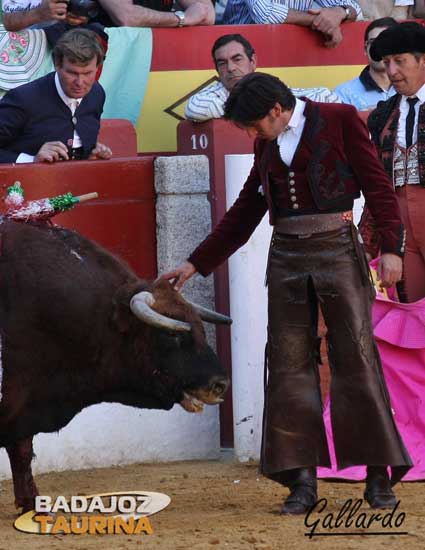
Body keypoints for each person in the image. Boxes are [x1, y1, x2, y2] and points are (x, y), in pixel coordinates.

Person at [163, 72, 412, 515]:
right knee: (289, 363)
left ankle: (378, 476)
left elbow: (377, 186)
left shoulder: (338, 119)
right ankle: (302, 480)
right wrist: (196, 262)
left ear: (277, 110)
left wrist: (392, 248)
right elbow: (246, 209)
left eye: (254, 126)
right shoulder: (267, 141)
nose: (251, 135)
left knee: (356, 357)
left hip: (338, 250)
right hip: (286, 259)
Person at [359, 22, 425, 303]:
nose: (392, 71)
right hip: (401, 227)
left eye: (400, 61)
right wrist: (368, 240)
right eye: (387, 63)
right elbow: (378, 185)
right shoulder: (382, 115)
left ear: (423, 61)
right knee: (411, 310)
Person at [0, 28, 112, 164]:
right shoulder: (24, 99)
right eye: (72, 73)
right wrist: (31, 160)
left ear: (97, 67)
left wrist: (90, 153)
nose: (80, 82)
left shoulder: (96, 94)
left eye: (87, 73)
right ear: (57, 64)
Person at [185, 33, 342, 122]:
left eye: (237, 59)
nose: (231, 68)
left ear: (252, 62)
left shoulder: (268, 86)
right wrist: (265, 108)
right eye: (222, 63)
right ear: (217, 70)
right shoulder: (215, 94)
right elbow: (196, 108)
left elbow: (328, 97)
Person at [221, 1, 362, 48]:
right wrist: (321, 21)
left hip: (288, 55)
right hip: (241, 53)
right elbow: (264, 13)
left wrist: (340, 12)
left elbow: (357, 10)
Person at [334, 17, 398, 110]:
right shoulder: (344, 93)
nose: (379, 49)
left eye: (387, 42)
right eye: (374, 43)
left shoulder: (414, 89)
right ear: (365, 49)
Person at [95, 0, 215, 28]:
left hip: (158, 52)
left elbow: (207, 14)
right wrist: (181, 18)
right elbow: (127, 17)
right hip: (110, 57)